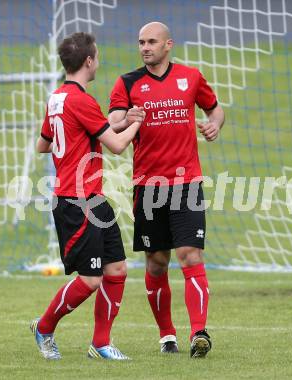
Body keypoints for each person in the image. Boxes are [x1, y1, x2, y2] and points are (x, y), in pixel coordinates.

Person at [108, 22, 225, 358]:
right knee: (157, 263)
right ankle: (166, 335)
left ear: (168, 44)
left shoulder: (191, 77)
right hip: (148, 187)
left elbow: (214, 109)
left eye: (151, 42)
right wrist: (127, 118)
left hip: (187, 183)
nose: (145, 47)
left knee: (191, 255)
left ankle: (199, 333)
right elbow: (111, 123)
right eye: (141, 42)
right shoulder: (128, 82)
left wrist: (214, 124)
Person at [31, 32, 145, 361]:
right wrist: (136, 121)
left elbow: (43, 144)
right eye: (97, 55)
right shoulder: (81, 100)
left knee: (117, 269)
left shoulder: (57, 98)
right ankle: (45, 326)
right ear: (89, 61)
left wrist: (71, 148)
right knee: (92, 278)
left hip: (93, 198)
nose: (98, 61)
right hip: (75, 201)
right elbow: (119, 145)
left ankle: (101, 343)